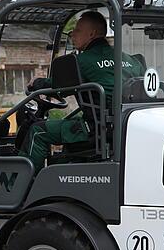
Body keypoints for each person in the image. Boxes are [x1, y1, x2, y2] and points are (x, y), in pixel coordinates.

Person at [20, 11, 145, 170]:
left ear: (92, 34)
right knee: (70, 124)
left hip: (97, 131)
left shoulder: (81, 61)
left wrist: (36, 83)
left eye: (77, 30)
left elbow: (57, 87)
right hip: (124, 127)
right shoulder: (131, 61)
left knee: (37, 131)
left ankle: (23, 187)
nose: (72, 34)